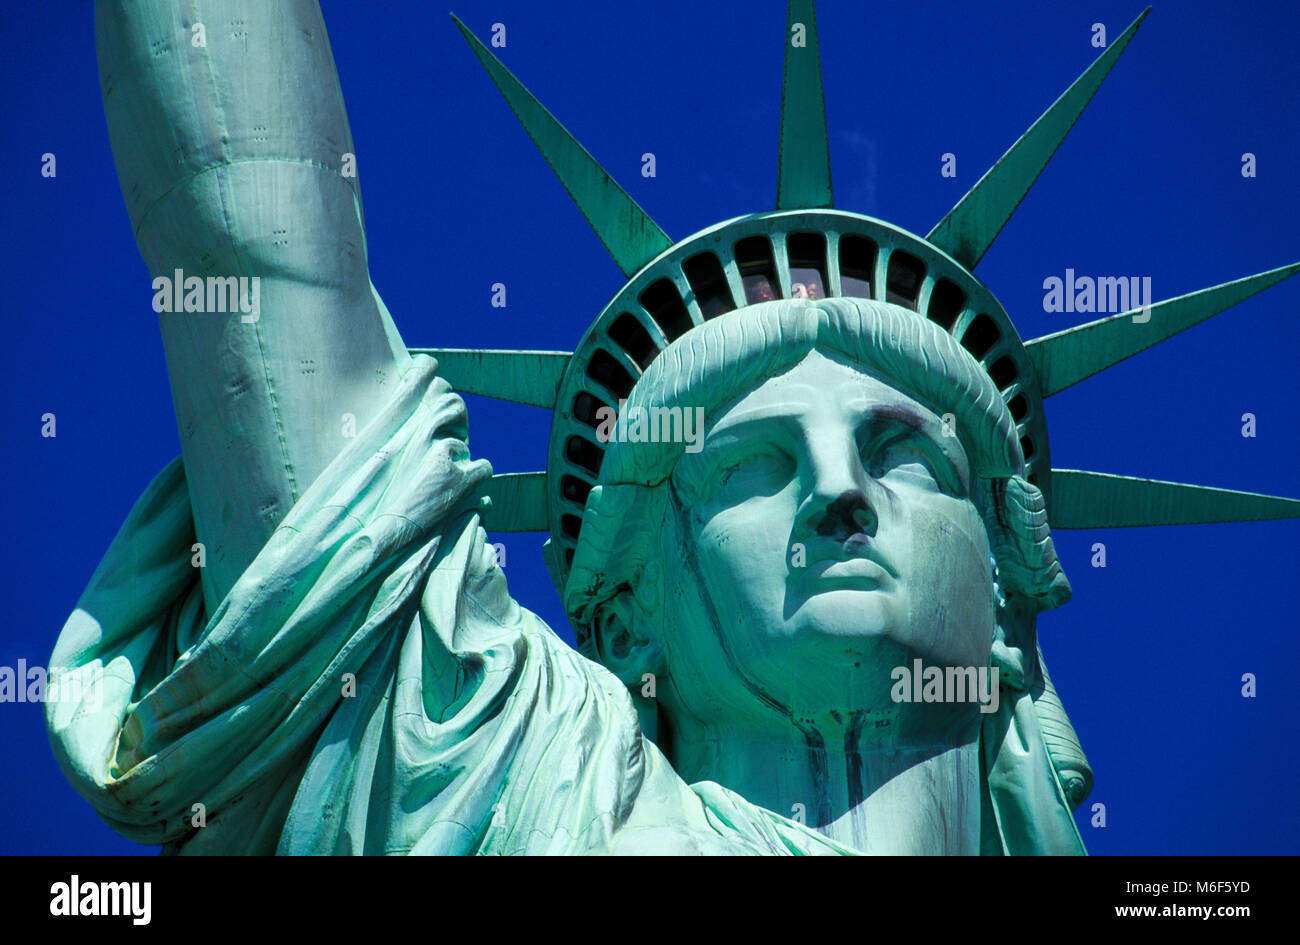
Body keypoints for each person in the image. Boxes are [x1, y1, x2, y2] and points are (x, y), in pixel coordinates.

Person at [47, 0, 1087, 854]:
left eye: (904, 451)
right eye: (749, 469)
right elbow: (251, 234)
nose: (840, 490)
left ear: (1005, 591)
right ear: (629, 620)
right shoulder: (506, 789)